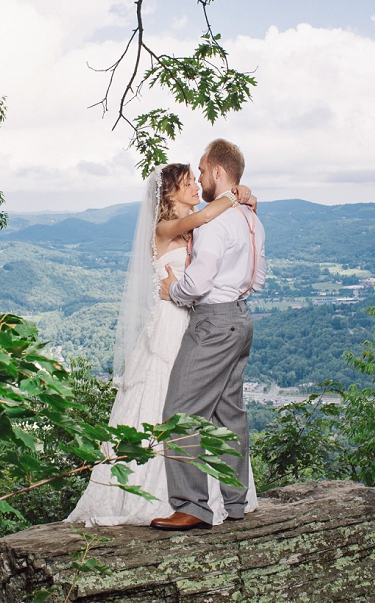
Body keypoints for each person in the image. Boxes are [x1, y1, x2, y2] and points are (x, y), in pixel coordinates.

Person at [65, 160, 260, 527]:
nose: (194, 188)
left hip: (197, 320)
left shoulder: (197, 227)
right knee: (169, 400)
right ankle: (167, 496)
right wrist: (235, 194)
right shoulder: (167, 227)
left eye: (194, 180)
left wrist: (245, 197)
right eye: (187, 183)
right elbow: (203, 218)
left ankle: (217, 496)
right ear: (169, 193)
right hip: (171, 323)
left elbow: (213, 226)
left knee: (214, 405)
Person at [150, 138, 266, 531]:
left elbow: (196, 283)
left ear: (218, 172)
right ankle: (235, 503)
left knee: (179, 412)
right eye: (191, 177)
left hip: (212, 322)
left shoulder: (218, 220)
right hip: (240, 318)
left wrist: (174, 292)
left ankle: (192, 507)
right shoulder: (252, 219)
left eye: (201, 171)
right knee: (230, 413)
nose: (199, 179)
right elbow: (258, 276)